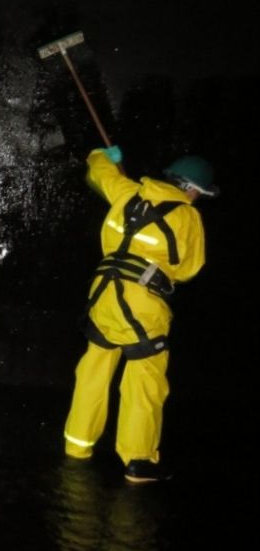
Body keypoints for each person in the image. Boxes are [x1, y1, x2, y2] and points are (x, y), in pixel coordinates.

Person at [63, 145, 216, 483]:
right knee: (145, 379)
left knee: (94, 368)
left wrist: (104, 156)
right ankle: (139, 460)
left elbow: (97, 172)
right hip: (143, 300)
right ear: (193, 189)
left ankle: (77, 447)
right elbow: (190, 269)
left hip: (102, 294)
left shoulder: (127, 190)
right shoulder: (189, 216)